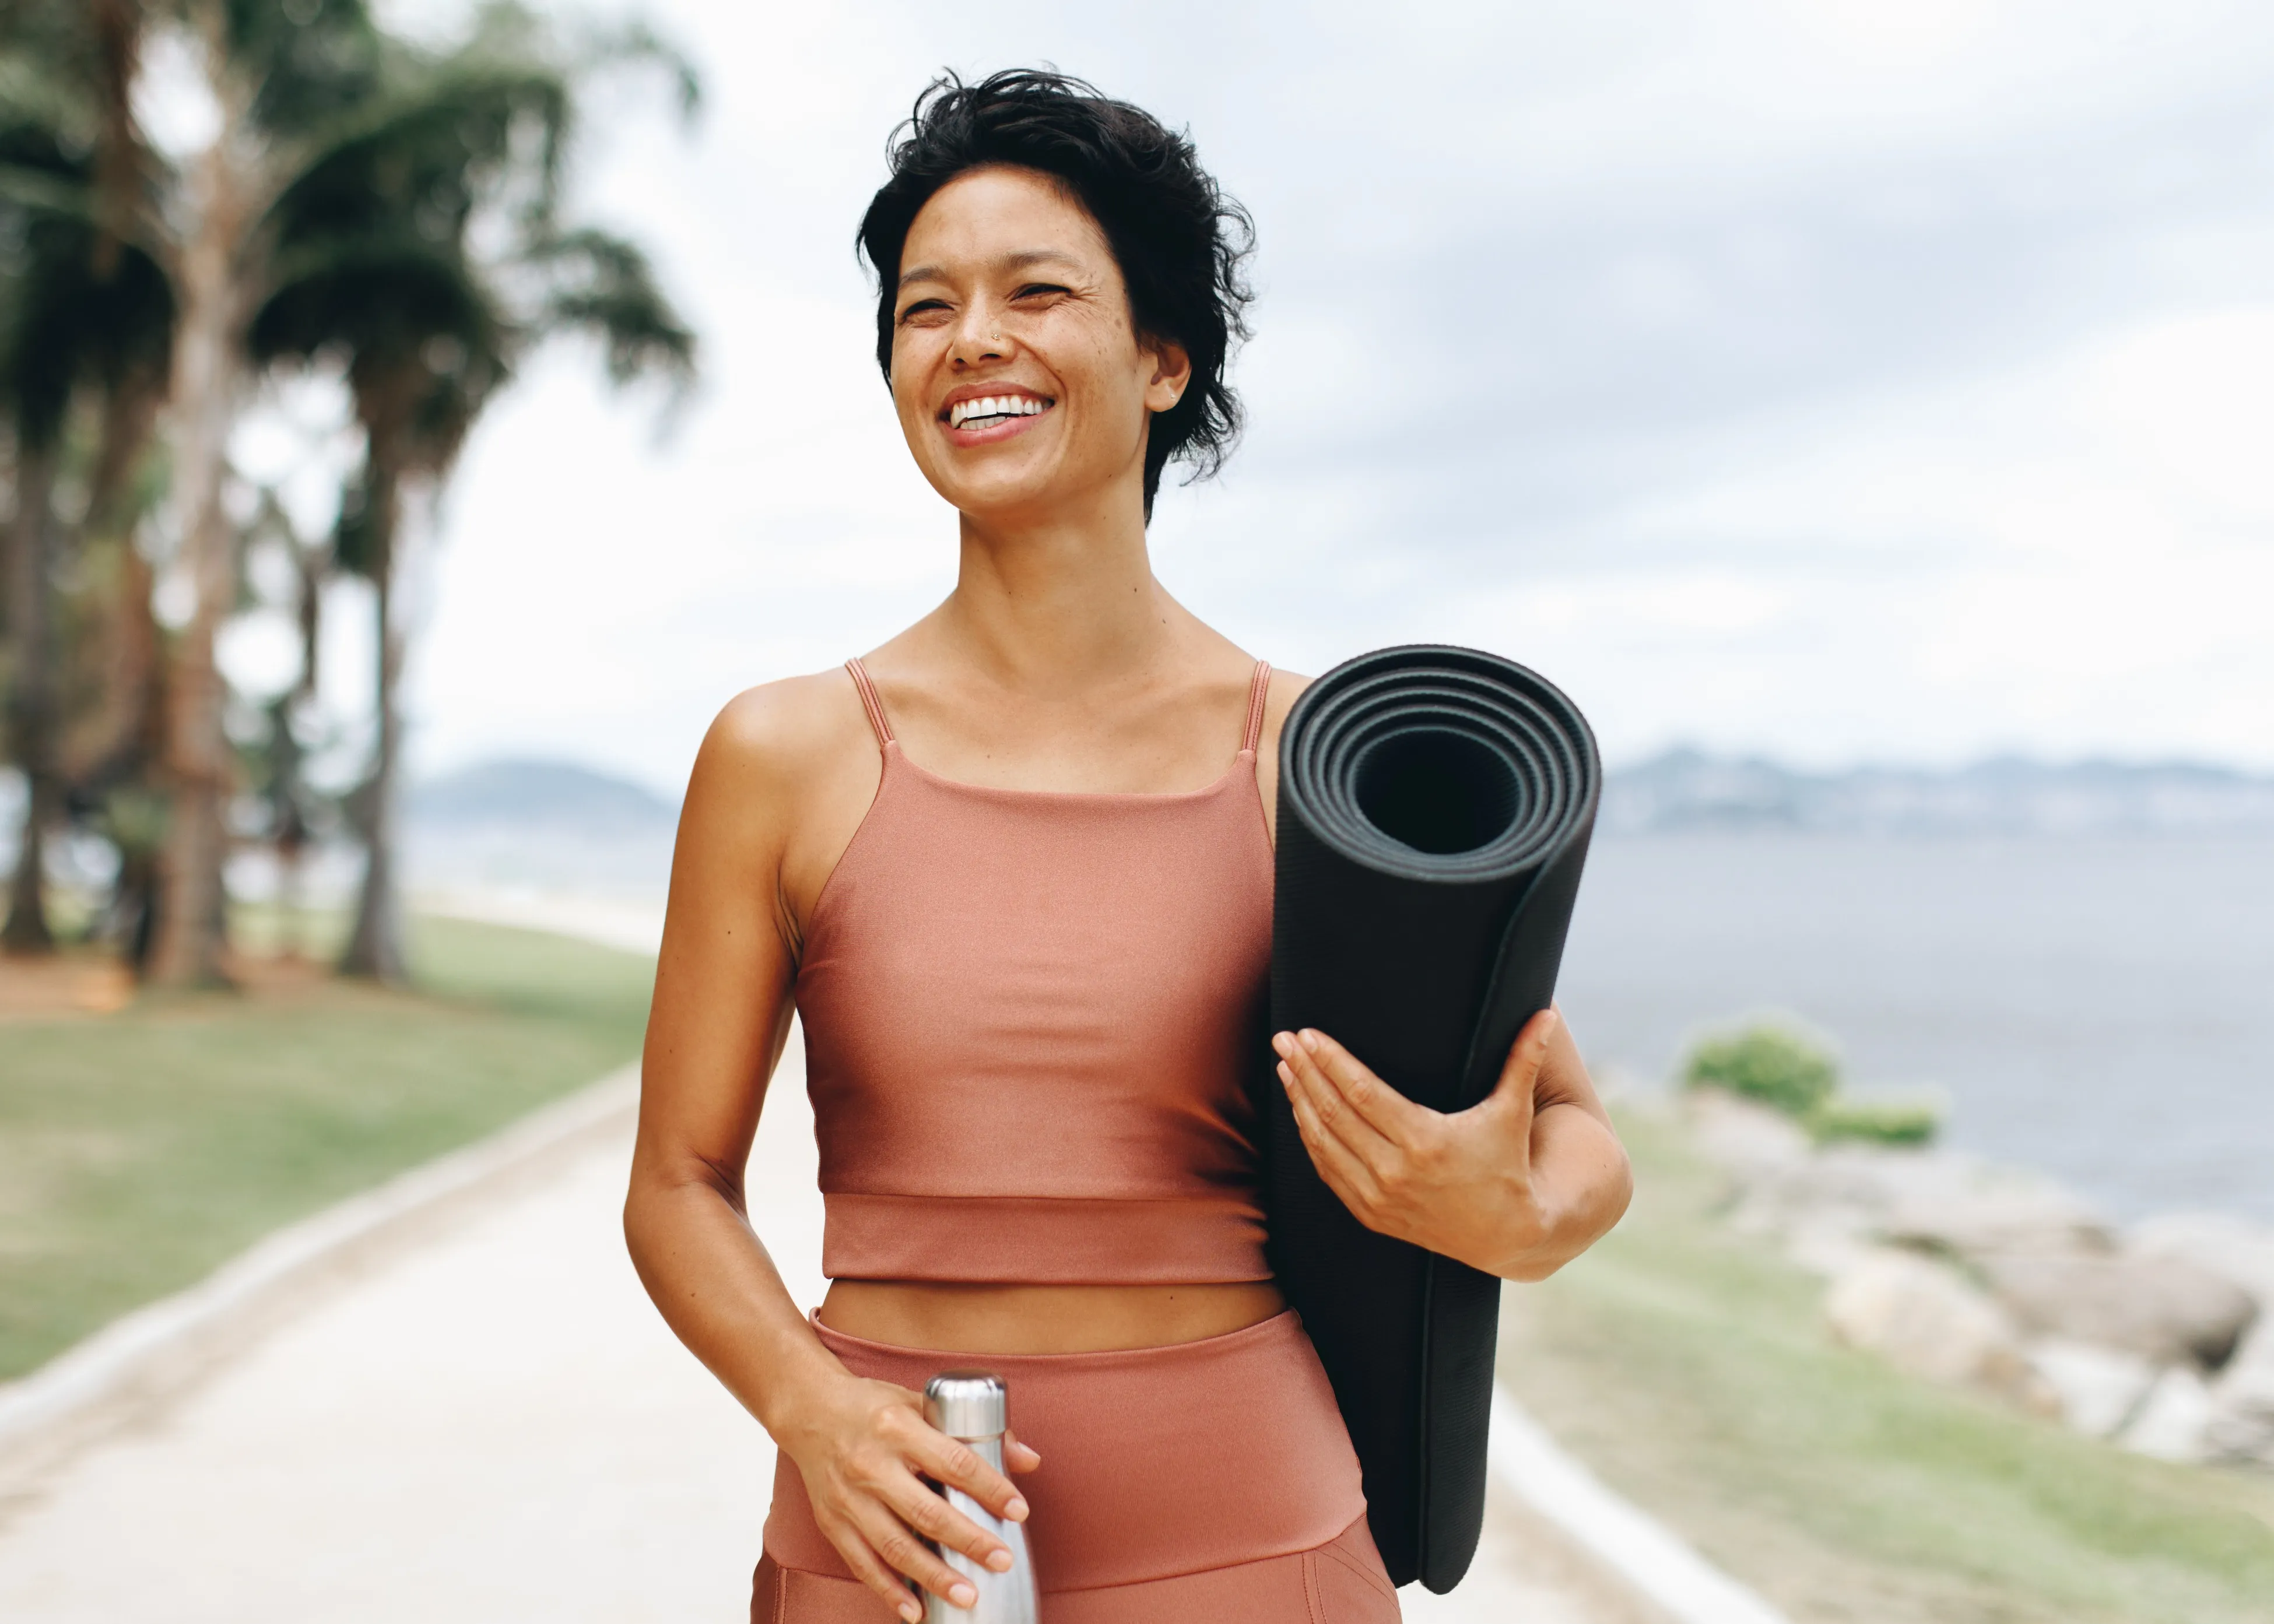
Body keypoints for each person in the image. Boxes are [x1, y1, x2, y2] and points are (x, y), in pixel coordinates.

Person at [624, 69, 1634, 1624]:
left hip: (1245, 1529)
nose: (971, 341)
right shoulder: (784, 754)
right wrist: (812, 1411)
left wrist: (1513, 1215)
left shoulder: (1313, 758)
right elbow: (679, 1185)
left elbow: (1568, 1130)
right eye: (923, 308)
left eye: (1037, 293)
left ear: (1161, 359)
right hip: (888, 1533)